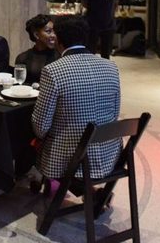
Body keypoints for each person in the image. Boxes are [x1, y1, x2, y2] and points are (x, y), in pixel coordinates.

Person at [32, 15, 121, 183]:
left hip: (68, 159)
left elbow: (41, 127)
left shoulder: (53, 71)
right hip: (109, 156)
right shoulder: (111, 66)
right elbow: (115, 114)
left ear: (58, 40)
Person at [15, 14, 60, 85]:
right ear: (36, 35)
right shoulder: (23, 58)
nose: (53, 35)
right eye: (48, 31)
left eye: (54, 32)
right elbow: (19, 84)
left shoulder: (60, 56)